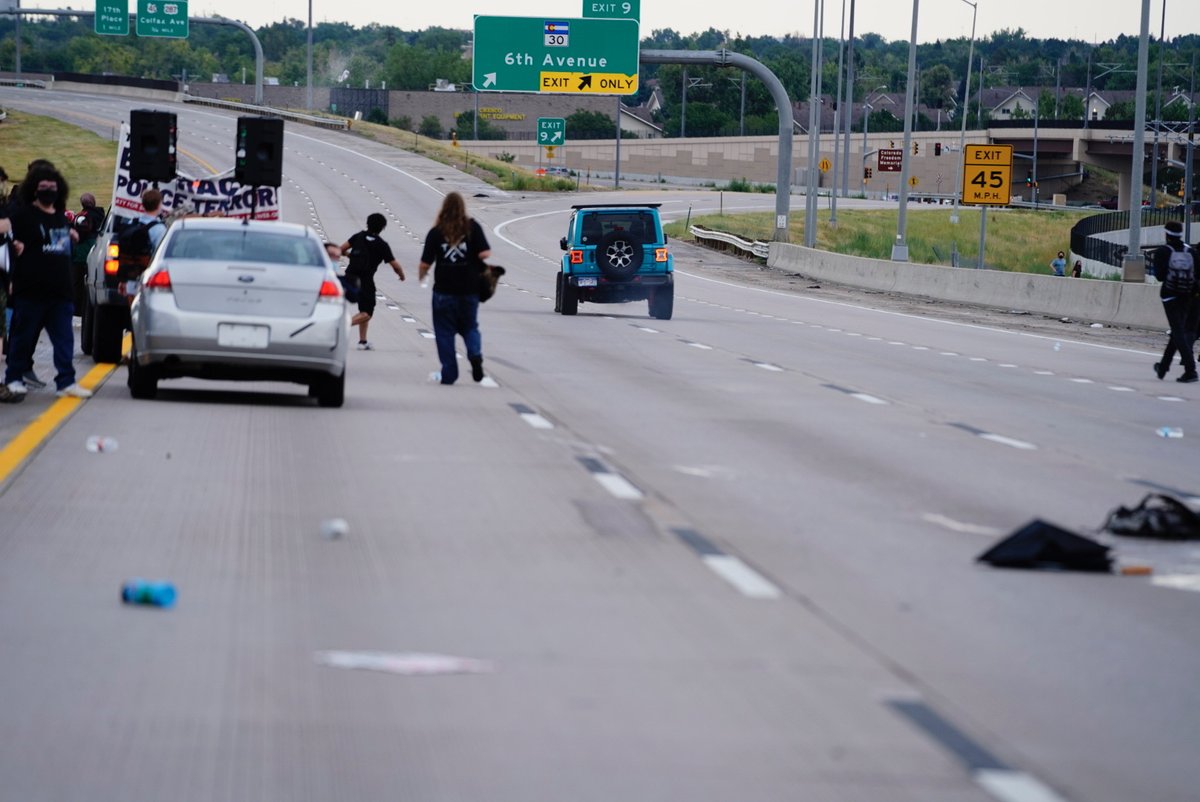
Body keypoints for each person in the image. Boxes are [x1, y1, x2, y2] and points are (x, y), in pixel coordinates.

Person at [3, 164, 92, 399]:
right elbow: (5, 229)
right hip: (30, 289)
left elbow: (60, 248)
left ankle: (66, 382)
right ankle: (13, 378)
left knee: (64, 340)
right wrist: (11, 244)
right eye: (43, 187)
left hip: (60, 292)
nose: (48, 191)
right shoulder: (22, 215)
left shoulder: (60, 217)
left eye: (52, 187)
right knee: (22, 338)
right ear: (33, 189)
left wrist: (71, 236)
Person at [417, 192, 492, 385]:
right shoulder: (472, 227)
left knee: (444, 332)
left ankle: (449, 374)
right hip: (469, 289)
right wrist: (472, 258)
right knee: (469, 327)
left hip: (443, 290)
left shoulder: (436, 232)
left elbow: (425, 263)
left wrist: (422, 277)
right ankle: (475, 355)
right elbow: (485, 253)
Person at [338, 213, 405, 350]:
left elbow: (340, 250)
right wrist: (401, 275)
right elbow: (395, 265)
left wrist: (350, 256)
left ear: (367, 223)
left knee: (363, 310)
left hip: (349, 276)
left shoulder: (358, 236)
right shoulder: (381, 244)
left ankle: (363, 342)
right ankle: (341, 326)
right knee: (367, 313)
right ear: (382, 228)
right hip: (365, 280)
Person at [1151, 220, 1197, 384]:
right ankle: (1163, 367)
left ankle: (1190, 369)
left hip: (1170, 296)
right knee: (1177, 330)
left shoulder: (1163, 251)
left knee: (1177, 331)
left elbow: (1160, 276)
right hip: (1188, 296)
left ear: (1166, 234)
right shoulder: (1190, 251)